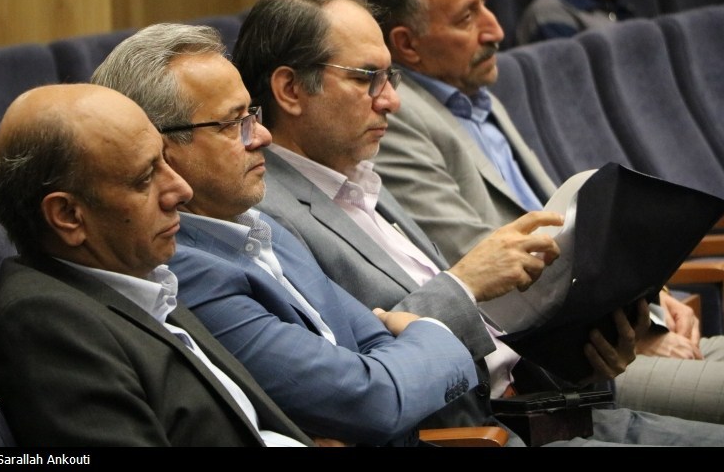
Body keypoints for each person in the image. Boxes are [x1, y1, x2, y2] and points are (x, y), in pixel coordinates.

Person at [229, 0, 724, 445]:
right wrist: (465, 283)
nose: (391, 102)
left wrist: (586, 346)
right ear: (290, 90)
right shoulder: (266, 217)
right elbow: (362, 372)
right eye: (367, 78)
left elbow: (486, 332)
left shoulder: (359, 178)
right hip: (484, 433)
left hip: (555, 402)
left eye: (391, 78)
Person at [354, 0, 724, 426]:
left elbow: (565, 221)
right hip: (565, 363)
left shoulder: (476, 95)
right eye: (468, 17)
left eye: (486, 4)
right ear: (407, 43)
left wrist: (651, 301)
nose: (496, 29)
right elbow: (481, 262)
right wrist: (631, 328)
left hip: (615, 335)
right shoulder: (399, 118)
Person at [90, 23, 501, 448]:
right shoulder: (180, 272)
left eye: (253, 115)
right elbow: (373, 401)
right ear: (162, 148)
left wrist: (390, 370)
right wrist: (431, 334)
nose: (262, 136)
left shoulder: (261, 225)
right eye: (234, 123)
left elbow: (376, 353)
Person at [0, 83, 314, 447]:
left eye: (164, 161)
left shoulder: (139, 275)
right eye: (144, 179)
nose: (181, 190)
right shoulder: (47, 327)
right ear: (68, 216)